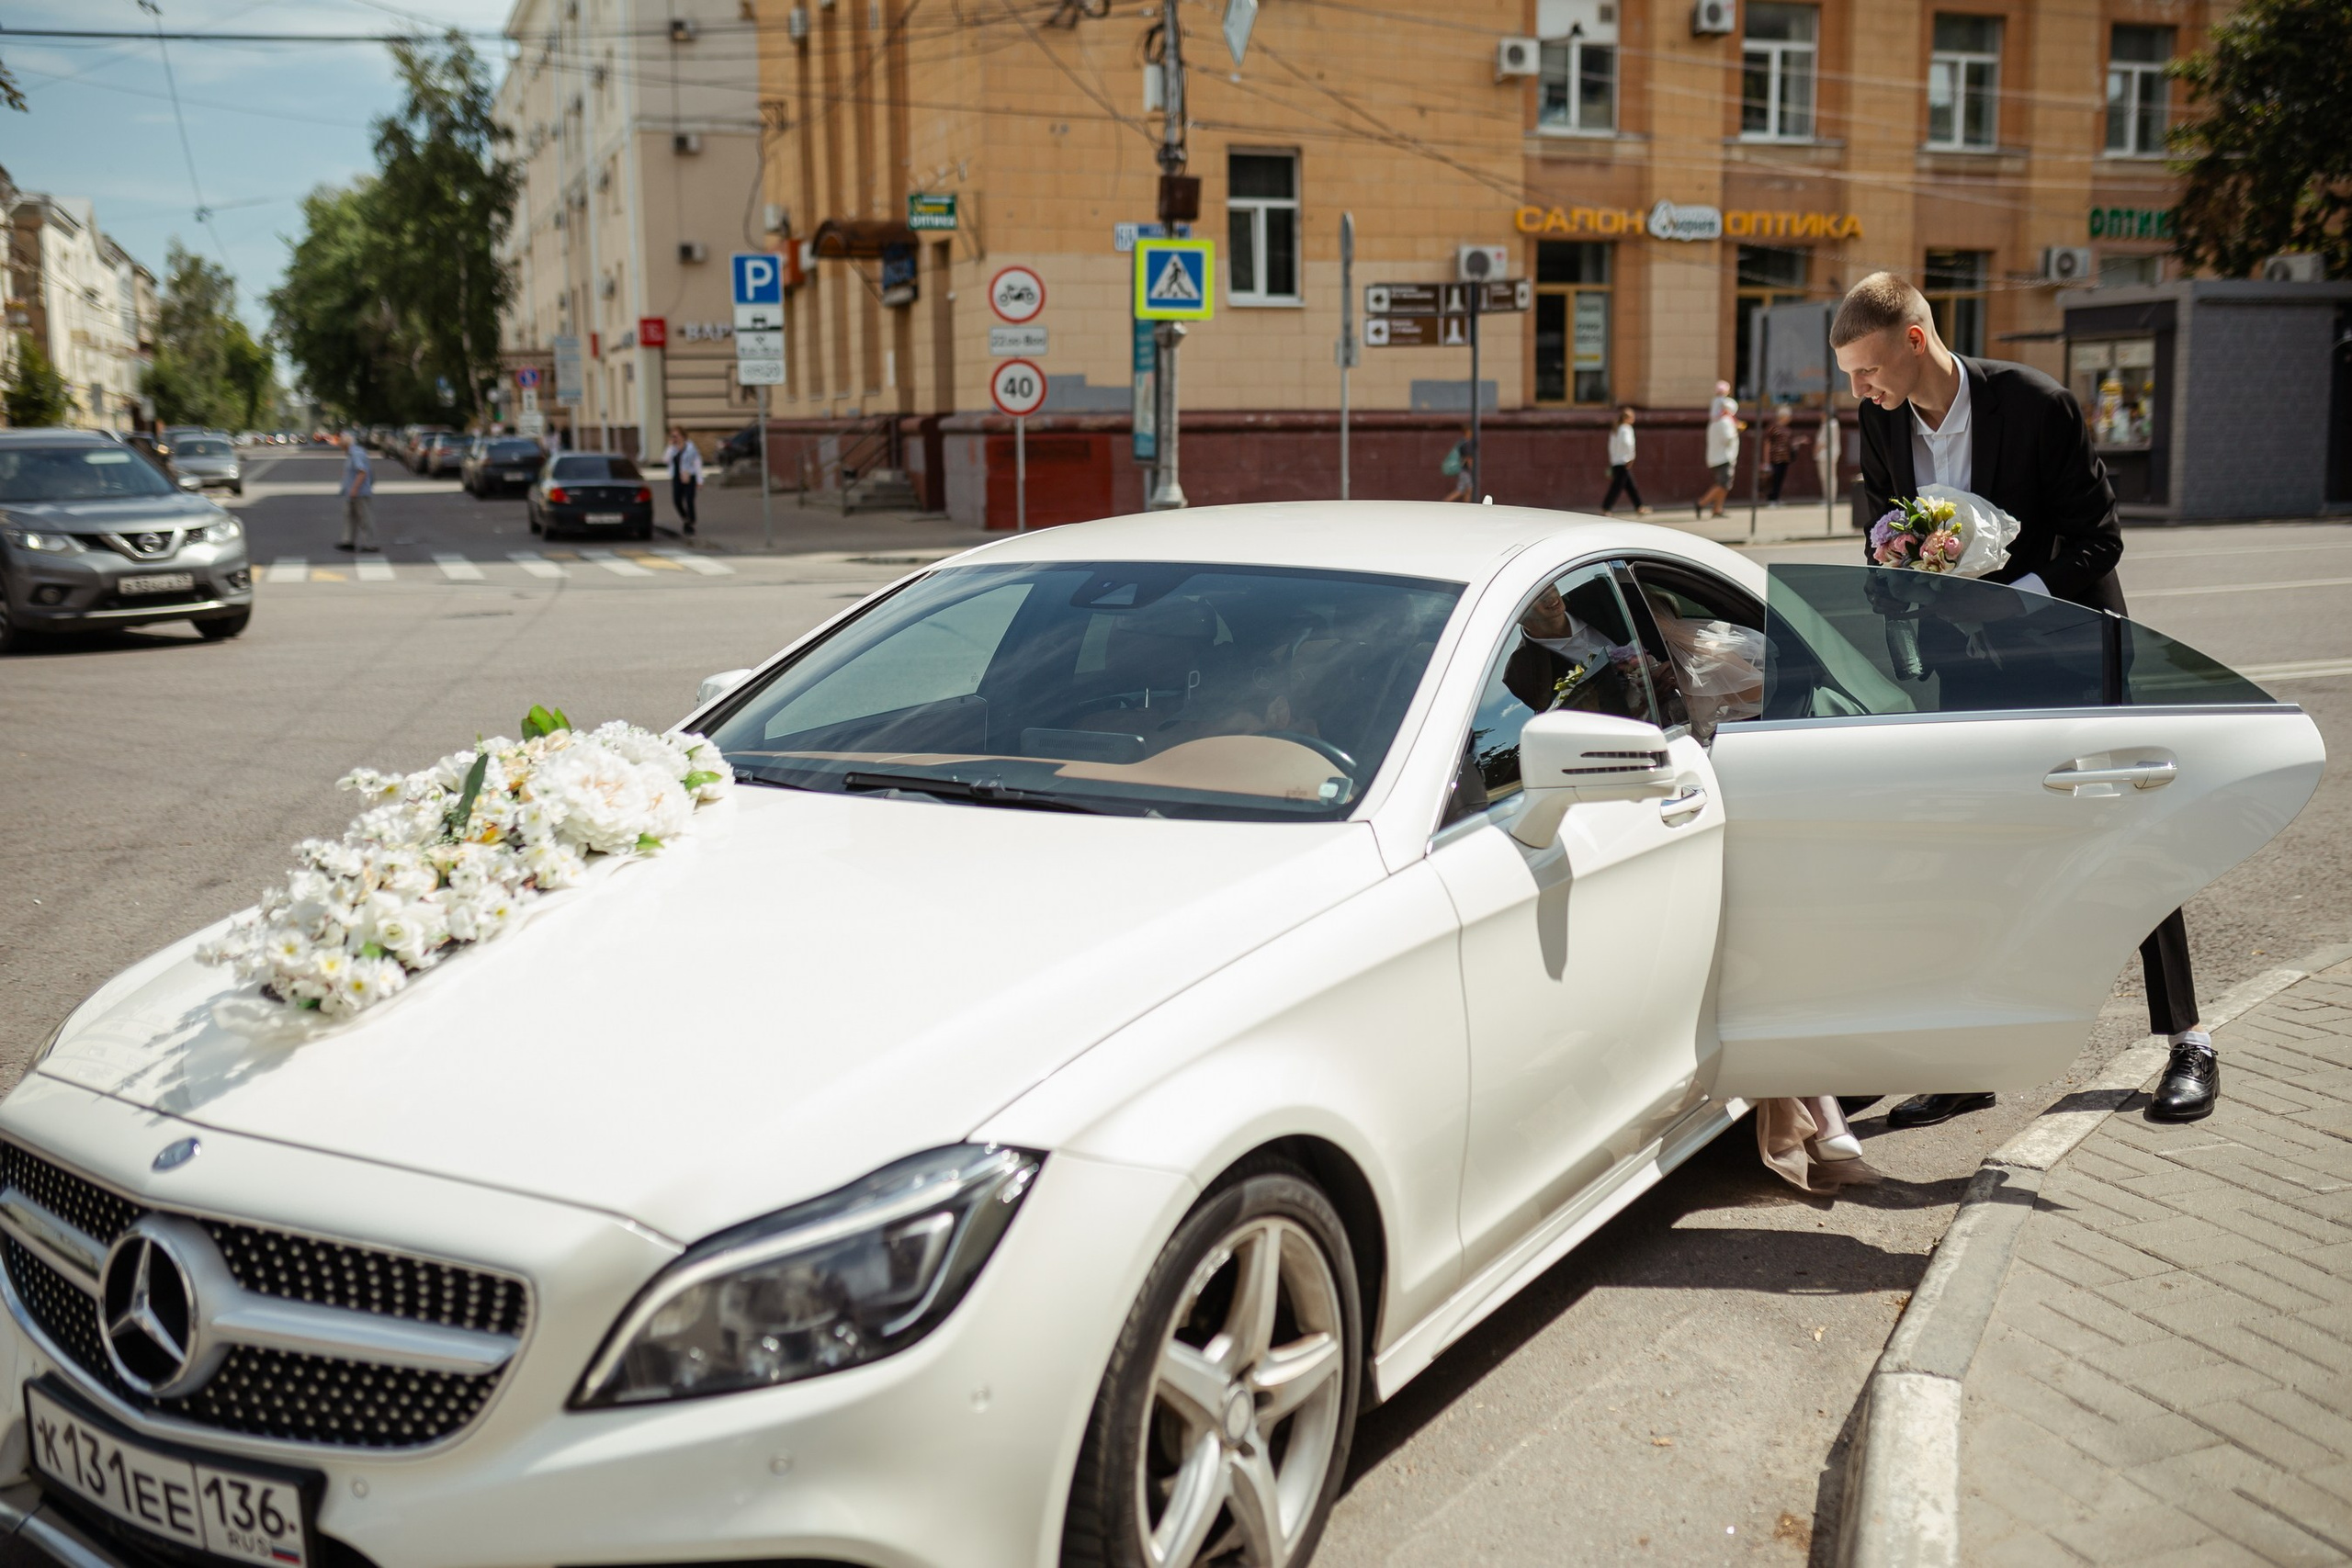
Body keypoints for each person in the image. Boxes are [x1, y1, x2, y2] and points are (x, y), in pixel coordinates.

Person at [1832, 269, 2214, 1125]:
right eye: (1852, 376)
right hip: (1966, 669)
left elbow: (2099, 539)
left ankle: (2189, 1040)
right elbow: (1881, 529)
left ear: (1915, 341)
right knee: (1976, 853)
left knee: (2133, 837)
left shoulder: (2039, 404)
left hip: (2068, 652)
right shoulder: (1881, 420)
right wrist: (1894, 576)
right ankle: (1969, 1060)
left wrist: (2018, 600)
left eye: (1867, 369)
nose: (1859, 390)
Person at [1696, 394, 1742, 519]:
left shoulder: (1715, 421)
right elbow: (1728, 439)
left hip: (1716, 457)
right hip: (1724, 457)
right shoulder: (1725, 422)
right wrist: (1736, 430)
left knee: (1723, 484)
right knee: (1723, 484)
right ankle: (1702, 503)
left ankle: (1717, 508)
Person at [1600, 406, 1651, 514]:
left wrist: (1613, 459)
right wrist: (1631, 457)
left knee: (1630, 486)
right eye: (1632, 417)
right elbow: (1628, 443)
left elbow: (1611, 446)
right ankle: (1606, 508)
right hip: (1624, 461)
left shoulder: (1615, 429)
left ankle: (1639, 506)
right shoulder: (1626, 429)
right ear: (1626, 418)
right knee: (1617, 487)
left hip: (1616, 461)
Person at [337, 430, 377, 553]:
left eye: (341, 442)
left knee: (364, 518)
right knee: (349, 516)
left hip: (359, 492)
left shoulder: (356, 454)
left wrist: (355, 489)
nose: (339, 445)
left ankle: (369, 544)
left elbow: (362, 472)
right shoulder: (351, 453)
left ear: (346, 443)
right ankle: (348, 541)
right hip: (351, 493)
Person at [1762, 404, 1810, 503]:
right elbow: (1767, 443)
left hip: (1785, 457)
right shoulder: (1773, 427)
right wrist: (1766, 461)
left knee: (1780, 477)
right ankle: (1771, 498)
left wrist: (1800, 440)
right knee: (1773, 478)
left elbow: (1789, 443)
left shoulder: (1787, 429)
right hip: (1774, 457)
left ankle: (1776, 497)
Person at [661, 426, 703, 536]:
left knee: (689, 500)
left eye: (676, 436)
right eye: (673, 436)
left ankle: (690, 523)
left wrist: (699, 480)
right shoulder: (672, 449)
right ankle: (685, 518)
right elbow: (665, 460)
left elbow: (697, 463)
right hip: (677, 478)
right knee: (677, 500)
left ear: (683, 436)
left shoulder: (691, 448)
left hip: (689, 477)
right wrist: (670, 446)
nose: (675, 438)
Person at [1442, 425, 1476, 503]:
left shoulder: (1462, 443)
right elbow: (1468, 458)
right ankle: (1444, 502)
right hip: (1465, 470)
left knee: (1467, 489)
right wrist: (1472, 469)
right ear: (1468, 432)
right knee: (1462, 490)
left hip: (1463, 470)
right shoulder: (1467, 444)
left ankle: (1466, 506)